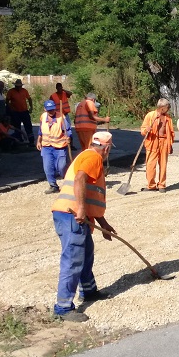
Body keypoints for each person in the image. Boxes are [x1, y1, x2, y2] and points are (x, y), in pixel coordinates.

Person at [50, 131, 115, 323]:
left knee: (86, 253)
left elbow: (91, 194)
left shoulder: (88, 155)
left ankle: (89, 291)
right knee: (73, 258)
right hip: (71, 215)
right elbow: (79, 179)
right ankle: (63, 307)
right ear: (107, 148)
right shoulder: (93, 157)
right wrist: (80, 209)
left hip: (73, 214)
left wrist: (103, 223)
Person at [38, 99, 73, 194]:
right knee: (47, 167)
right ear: (45, 109)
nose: (51, 112)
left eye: (52, 109)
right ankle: (53, 186)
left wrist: (68, 137)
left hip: (60, 147)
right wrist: (39, 141)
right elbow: (40, 130)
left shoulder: (61, 117)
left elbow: (68, 130)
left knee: (61, 167)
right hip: (46, 147)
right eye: (49, 110)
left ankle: (69, 183)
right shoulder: (43, 117)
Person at [140, 98, 174, 192]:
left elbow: (171, 133)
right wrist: (147, 130)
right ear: (162, 108)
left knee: (163, 164)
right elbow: (142, 130)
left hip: (164, 143)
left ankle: (162, 185)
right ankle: (151, 185)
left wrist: (170, 145)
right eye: (168, 107)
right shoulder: (150, 116)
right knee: (150, 164)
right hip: (152, 142)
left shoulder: (168, 118)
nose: (168, 109)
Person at [6, 79, 34, 144]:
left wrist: (31, 107)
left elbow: (29, 99)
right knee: (17, 126)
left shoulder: (24, 91)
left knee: (28, 126)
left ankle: (31, 141)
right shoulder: (11, 91)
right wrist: (10, 108)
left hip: (24, 111)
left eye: (19, 86)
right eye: (17, 86)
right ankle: (19, 140)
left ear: (21, 86)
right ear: (15, 86)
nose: (18, 87)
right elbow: (7, 101)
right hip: (15, 112)